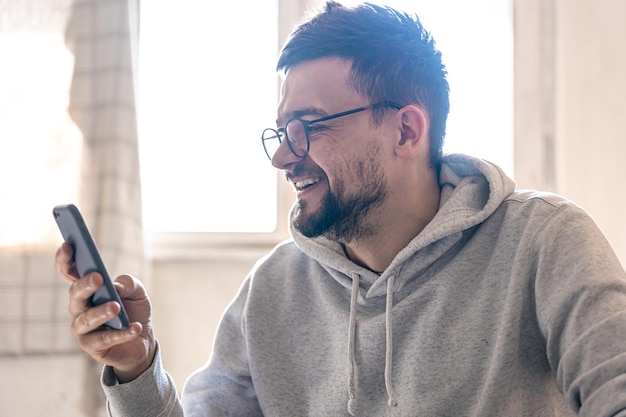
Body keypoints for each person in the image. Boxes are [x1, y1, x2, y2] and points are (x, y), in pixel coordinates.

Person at [55, 1, 626, 416]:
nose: (282, 156)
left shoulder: (546, 243)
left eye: (307, 128)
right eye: (280, 131)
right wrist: (134, 365)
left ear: (406, 129)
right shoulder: (273, 289)